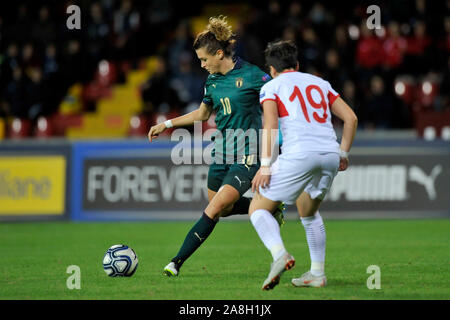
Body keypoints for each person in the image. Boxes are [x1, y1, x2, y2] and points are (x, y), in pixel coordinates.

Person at [147, 16, 283, 277]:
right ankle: (272, 206)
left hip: (248, 152)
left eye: (204, 59)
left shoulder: (254, 76)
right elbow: (201, 115)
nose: (202, 64)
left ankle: (176, 262)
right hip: (221, 152)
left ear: (219, 53)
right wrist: (167, 125)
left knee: (213, 209)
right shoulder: (211, 81)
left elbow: (280, 101)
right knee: (224, 207)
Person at [249, 40, 357, 290]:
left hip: (299, 154)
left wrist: (265, 166)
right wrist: (343, 153)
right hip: (329, 154)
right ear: (296, 65)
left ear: (272, 70)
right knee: (308, 212)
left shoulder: (271, 86)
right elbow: (351, 118)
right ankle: (317, 273)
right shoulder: (321, 83)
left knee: (258, 208)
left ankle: (279, 255)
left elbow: (270, 125)